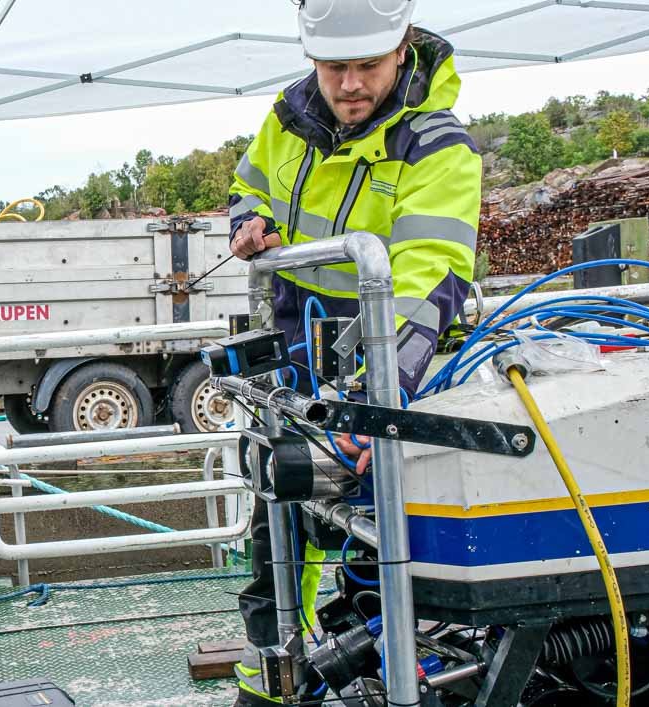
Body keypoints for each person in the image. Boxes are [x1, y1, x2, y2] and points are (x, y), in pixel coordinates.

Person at [225, 0, 479, 703]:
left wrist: (375, 397)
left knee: (382, 543)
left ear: (403, 50)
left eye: (368, 65)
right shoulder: (286, 117)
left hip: (392, 368)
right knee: (279, 523)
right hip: (297, 349)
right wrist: (250, 220)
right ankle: (275, 678)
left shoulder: (438, 145)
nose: (351, 84)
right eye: (335, 67)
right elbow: (247, 184)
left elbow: (431, 278)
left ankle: (388, 676)